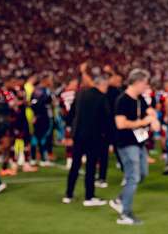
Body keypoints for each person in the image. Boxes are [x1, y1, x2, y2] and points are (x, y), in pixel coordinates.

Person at [108, 69, 160, 225]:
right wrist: (144, 122)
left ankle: (119, 200)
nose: (146, 86)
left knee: (142, 174)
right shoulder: (122, 100)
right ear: (137, 83)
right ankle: (125, 215)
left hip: (138, 143)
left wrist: (154, 118)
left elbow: (150, 111)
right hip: (126, 144)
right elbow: (120, 123)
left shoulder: (139, 99)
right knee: (133, 177)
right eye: (145, 83)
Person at [64, 68, 112, 206]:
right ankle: (89, 197)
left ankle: (68, 194)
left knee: (75, 165)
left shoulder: (80, 94)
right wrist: (109, 138)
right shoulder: (101, 97)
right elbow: (106, 119)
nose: (107, 89)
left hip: (78, 135)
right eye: (106, 86)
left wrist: (71, 129)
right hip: (94, 137)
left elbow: (71, 114)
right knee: (90, 167)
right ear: (101, 85)